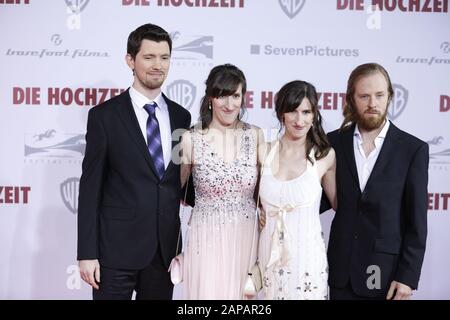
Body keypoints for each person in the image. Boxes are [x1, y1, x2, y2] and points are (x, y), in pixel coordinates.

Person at [77, 23, 191, 300]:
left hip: (163, 252)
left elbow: (178, 183)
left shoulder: (181, 117)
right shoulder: (104, 116)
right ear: (130, 60)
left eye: (164, 58)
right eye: (149, 57)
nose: (157, 65)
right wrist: (87, 253)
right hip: (114, 252)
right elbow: (90, 188)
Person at [322, 63, 429, 300]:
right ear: (351, 99)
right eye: (364, 96)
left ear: (390, 96)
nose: (373, 103)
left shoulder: (412, 150)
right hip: (341, 271)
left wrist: (407, 277)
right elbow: (314, 200)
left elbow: (417, 221)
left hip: (385, 273)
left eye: (379, 95)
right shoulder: (333, 144)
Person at [179, 64, 263, 299]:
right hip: (204, 238)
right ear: (209, 99)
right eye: (222, 95)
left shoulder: (255, 136)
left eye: (235, 95)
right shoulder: (190, 138)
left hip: (246, 237)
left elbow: (264, 196)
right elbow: (174, 193)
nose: (229, 104)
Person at [257, 80, 336, 300]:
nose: (299, 120)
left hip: (307, 258)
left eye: (306, 112)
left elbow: (341, 204)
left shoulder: (324, 155)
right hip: (269, 256)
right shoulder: (263, 152)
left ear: (314, 115)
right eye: (293, 111)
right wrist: (258, 216)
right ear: (281, 112)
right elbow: (248, 199)